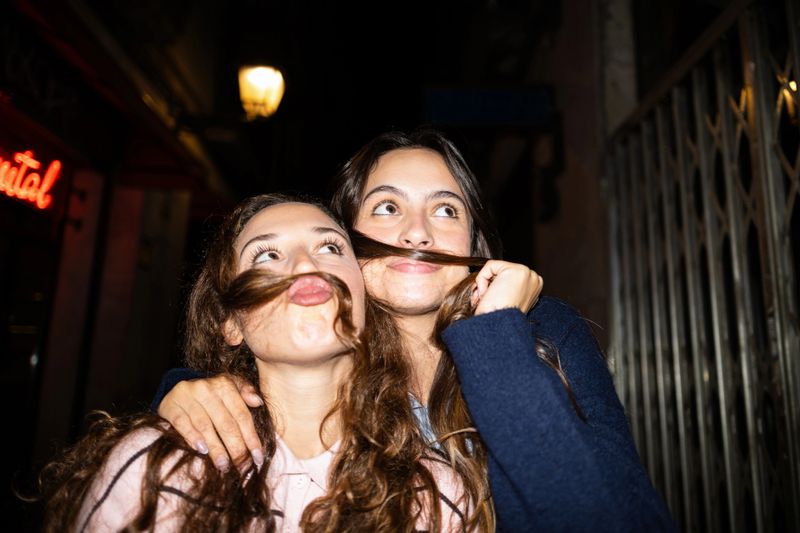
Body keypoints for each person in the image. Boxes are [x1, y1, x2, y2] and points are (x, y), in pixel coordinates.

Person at [153, 129, 676, 531]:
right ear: (346, 243)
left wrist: (497, 335)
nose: (418, 232)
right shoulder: (322, 351)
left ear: (475, 241)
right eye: (387, 207)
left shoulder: (540, 331)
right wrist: (182, 388)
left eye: (445, 210)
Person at [39, 194, 481, 532]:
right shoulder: (156, 470)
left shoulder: (438, 495)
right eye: (266, 255)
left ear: (366, 301)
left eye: (329, 247)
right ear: (231, 322)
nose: (305, 264)